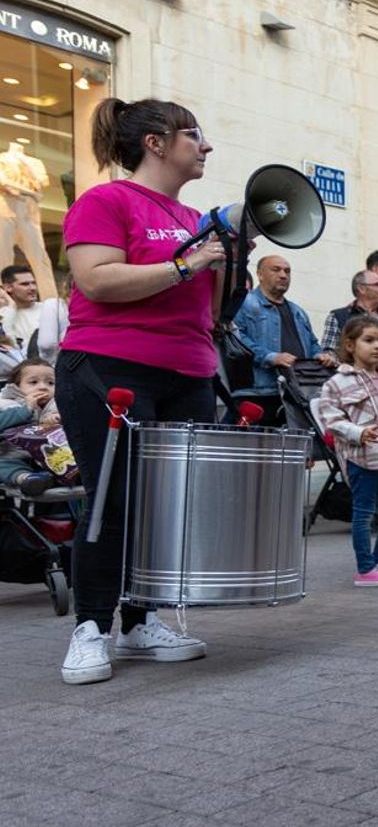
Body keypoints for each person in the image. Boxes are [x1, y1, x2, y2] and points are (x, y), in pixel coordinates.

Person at [55, 97, 225, 685]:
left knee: (165, 504)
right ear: (155, 143)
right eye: (193, 135)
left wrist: (226, 263)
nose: (205, 146)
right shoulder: (105, 201)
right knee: (112, 498)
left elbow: (210, 310)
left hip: (188, 372)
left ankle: (138, 622)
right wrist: (186, 265)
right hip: (109, 367)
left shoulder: (195, 218)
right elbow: (97, 279)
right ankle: (90, 627)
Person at [313, 315, 378, 588]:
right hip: (361, 458)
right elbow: (330, 419)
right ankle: (365, 569)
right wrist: (357, 432)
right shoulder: (337, 383)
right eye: (369, 340)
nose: (377, 346)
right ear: (350, 345)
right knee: (364, 512)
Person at [233, 255, 336, 424]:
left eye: (287, 271)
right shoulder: (244, 304)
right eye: (276, 270)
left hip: (297, 394)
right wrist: (271, 357)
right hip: (260, 393)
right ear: (260, 274)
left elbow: (312, 343)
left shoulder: (298, 312)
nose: (283, 275)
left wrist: (320, 355)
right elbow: (237, 339)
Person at [321, 270, 378, 409]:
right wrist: (329, 358)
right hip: (355, 391)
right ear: (361, 288)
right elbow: (329, 351)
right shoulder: (339, 317)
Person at [0, 357, 68, 494]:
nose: (43, 387)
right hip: (14, 455)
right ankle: (27, 479)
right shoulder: (6, 403)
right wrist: (26, 409)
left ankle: (55, 478)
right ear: (16, 386)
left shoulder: (59, 404)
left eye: (50, 383)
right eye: (33, 382)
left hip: (53, 456)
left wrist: (58, 420)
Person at [1, 264, 43, 346]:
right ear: (8, 287)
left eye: (34, 283)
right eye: (25, 284)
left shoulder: (48, 309)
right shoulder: (4, 314)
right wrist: (11, 305)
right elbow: (8, 345)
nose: (33, 288)